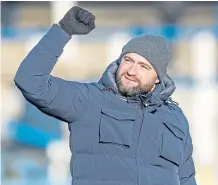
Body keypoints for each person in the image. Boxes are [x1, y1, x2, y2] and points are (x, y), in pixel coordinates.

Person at [14, 6, 196, 185]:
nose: (132, 71)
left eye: (144, 66)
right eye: (128, 60)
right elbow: (30, 81)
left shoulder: (175, 119)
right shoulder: (89, 99)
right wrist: (63, 31)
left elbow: (187, 179)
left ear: (158, 78)